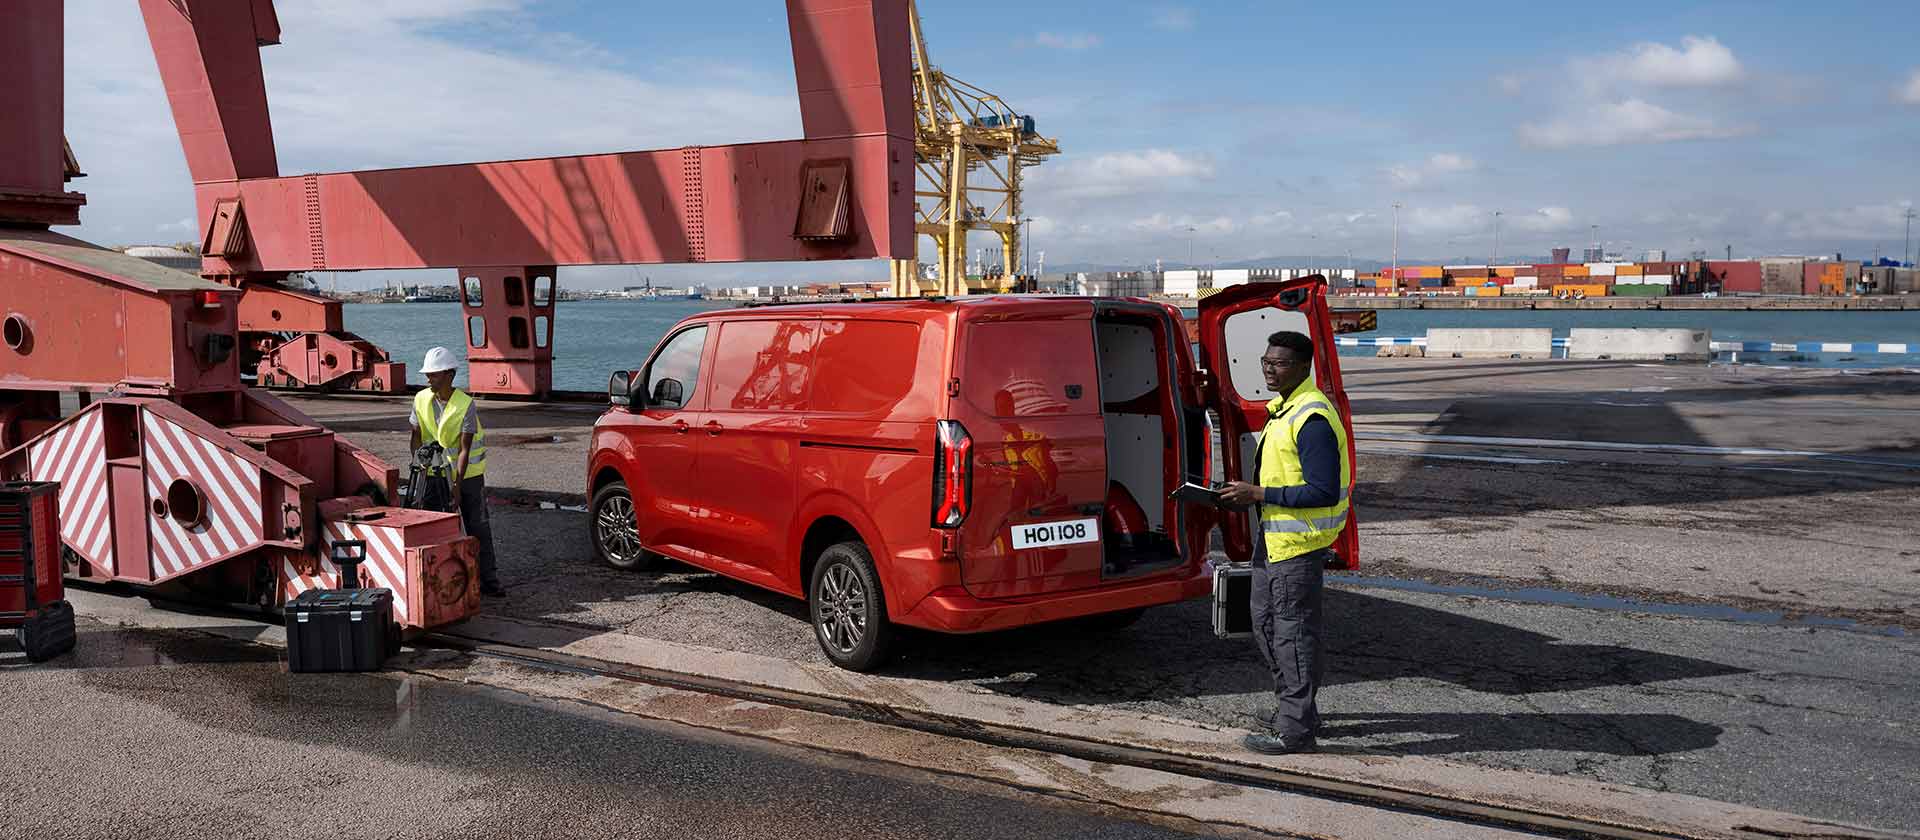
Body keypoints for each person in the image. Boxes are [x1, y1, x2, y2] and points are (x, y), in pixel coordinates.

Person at [1218, 331, 1351, 755]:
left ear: (1303, 367)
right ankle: (1295, 710)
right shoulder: (1284, 410)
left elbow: (1324, 490)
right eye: (1265, 362)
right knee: (1266, 626)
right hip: (1272, 540)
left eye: (1279, 364)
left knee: (1293, 636)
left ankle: (1295, 732)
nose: (1269, 370)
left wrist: (1258, 495)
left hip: (1298, 546)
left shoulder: (1311, 418)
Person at [410, 346, 506, 598]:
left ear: (449, 375)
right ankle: (433, 580)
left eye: (434, 374)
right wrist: (419, 465)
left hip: (468, 476)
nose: (428, 378)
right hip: (433, 473)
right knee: (430, 524)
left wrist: (456, 487)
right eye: (427, 374)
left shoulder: (465, 405)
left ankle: (489, 581)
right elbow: (416, 435)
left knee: (477, 526)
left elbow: (464, 449)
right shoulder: (421, 399)